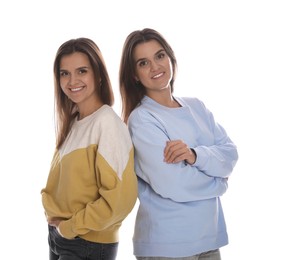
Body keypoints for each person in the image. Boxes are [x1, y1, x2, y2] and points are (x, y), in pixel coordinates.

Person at [119, 28, 239, 260]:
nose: (155, 67)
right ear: (134, 75)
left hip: (208, 237)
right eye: (143, 63)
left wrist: (195, 155)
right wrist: (219, 184)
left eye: (160, 56)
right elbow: (173, 183)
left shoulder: (197, 107)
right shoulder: (142, 119)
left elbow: (230, 154)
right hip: (168, 244)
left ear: (171, 59)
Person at [41, 37, 138, 260]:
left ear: (99, 74)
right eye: (64, 73)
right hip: (61, 237)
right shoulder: (74, 121)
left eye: (81, 71)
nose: (72, 80)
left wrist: (70, 227)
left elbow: (120, 201)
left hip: (88, 243)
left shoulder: (107, 124)